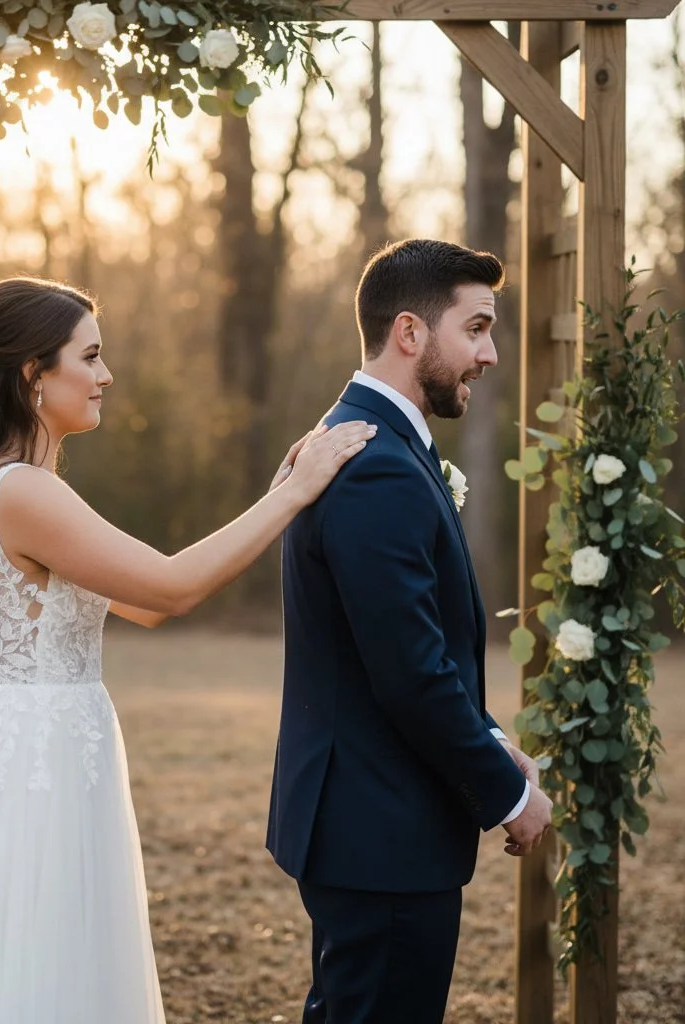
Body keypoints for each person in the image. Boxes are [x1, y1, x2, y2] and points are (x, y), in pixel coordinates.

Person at [0, 276, 376, 1024]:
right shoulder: (25, 493)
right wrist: (295, 494)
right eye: (90, 356)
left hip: (15, 743)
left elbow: (144, 605)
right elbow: (175, 588)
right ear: (32, 376)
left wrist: (279, 483)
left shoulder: (6, 485)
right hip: (33, 763)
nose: (106, 375)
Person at [266, 239, 554, 1024]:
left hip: (369, 817)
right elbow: (411, 672)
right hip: (380, 828)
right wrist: (506, 796)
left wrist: (492, 741)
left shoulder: (366, 439)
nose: (491, 353)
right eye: (477, 328)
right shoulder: (375, 462)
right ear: (409, 333)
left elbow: (400, 650)